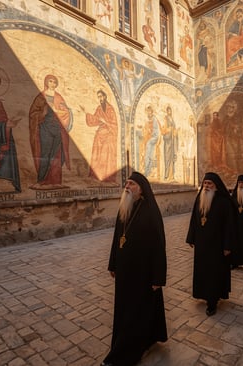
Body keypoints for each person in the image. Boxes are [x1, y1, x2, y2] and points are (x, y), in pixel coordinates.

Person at [101, 171, 167, 366]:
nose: (127, 187)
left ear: (142, 189)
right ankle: (146, 339)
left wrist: (158, 278)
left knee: (135, 313)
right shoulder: (125, 208)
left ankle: (126, 354)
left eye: (132, 184)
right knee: (126, 312)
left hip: (143, 274)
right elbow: (116, 239)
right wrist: (113, 264)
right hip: (124, 273)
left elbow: (158, 246)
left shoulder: (151, 211)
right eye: (127, 183)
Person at [186, 172, 237, 316]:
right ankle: (203, 294)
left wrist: (228, 245)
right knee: (203, 271)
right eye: (205, 183)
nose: (206, 186)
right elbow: (194, 219)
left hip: (217, 246)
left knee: (215, 273)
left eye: (210, 184)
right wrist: (191, 237)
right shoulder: (200, 198)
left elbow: (229, 226)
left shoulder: (224, 202)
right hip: (202, 245)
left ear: (216, 186)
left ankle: (212, 302)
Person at [29, 74, 73, 190]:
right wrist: (42, 113)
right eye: (50, 81)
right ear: (46, 82)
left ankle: (56, 182)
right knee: (45, 154)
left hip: (57, 129)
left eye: (54, 82)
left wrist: (62, 112)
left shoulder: (59, 97)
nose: (52, 84)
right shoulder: (41, 96)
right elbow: (33, 113)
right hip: (45, 127)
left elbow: (66, 112)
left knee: (57, 155)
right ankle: (41, 181)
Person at [79, 89, 118, 184]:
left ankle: (107, 177)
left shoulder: (111, 109)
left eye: (101, 96)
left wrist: (105, 122)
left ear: (105, 97)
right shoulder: (99, 108)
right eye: (98, 97)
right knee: (96, 153)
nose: (100, 98)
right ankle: (95, 175)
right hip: (100, 133)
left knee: (106, 154)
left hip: (109, 134)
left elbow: (115, 125)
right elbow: (95, 120)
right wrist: (86, 113)